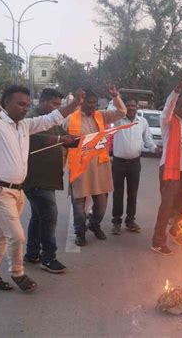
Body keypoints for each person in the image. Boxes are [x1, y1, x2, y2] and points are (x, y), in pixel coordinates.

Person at [0, 85, 82, 292]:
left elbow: (52, 118)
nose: (24, 108)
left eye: (27, 105)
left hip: (18, 190)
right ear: (5, 103)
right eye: (20, 104)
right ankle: (18, 273)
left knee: (4, 233)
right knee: (16, 235)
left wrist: (73, 105)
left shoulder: (25, 126)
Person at [23, 89, 78, 274]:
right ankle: (48, 257)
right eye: (54, 104)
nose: (57, 109)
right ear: (43, 101)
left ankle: (32, 253)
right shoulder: (31, 119)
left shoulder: (53, 119)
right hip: (36, 178)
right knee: (49, 217)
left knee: (39, 217)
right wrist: (59, 139)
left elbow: (63, 136)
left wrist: (74, 140)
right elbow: (32, 139)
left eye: (59, 105)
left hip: (48, 177)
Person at [64, 86, 126, 247]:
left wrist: (115, 96)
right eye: (89, 102)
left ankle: (94, 224)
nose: (92, 106)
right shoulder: (70, 119)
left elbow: (122, 112)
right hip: (80, 168)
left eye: (95, 103)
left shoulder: (101, 116)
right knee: (79, 203)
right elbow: (64, 143)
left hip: (100, 167)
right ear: (82, 102)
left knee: (101, 203)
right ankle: (80, 232)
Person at [151, 81, 182, 255]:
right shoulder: (168, 121)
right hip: (170, 170)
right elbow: (167, 110)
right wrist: (175, 93)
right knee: (167, 206)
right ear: (175, 106)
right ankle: (157, 241)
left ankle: (175, 231)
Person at [111, 98, 161, 235]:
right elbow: (111, 109)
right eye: (128, 105)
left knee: (132, 193)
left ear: (137, 107)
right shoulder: (118, 120)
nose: (131, 108)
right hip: (118, 162)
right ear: (124, 107)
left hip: (134, 163)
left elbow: (148, 139)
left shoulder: (142, 122)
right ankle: (116, 221)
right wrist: (116, 97)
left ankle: (130, 220)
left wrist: (155, 149)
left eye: (133, 105)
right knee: (118, 193)